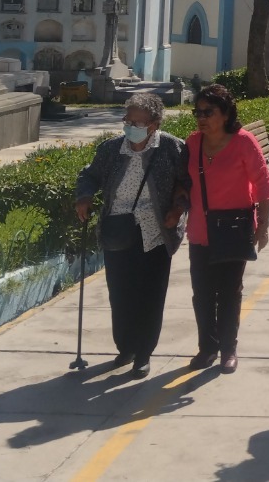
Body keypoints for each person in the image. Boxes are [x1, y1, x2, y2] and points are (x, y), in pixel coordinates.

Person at [73, 93, 189, 379]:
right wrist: (84, 196)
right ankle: (125, 347)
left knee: (150, 294)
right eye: (128, 120)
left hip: (155, 231)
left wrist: (178, 209)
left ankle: (144, 354)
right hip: (118, 229)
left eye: (138, 121)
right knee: (120, 292)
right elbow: (89, 175)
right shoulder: (111, 149)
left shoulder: (172, 148)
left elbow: (186, 183)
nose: (131, 126)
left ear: (155, 124)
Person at [185, 84, 269, 373]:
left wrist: (262, 226)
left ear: (225, 114)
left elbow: (263, 185)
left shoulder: (243, 142)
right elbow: (182, 184)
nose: (201, 117)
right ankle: (206, 348)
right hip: (201, 229)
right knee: (201, 294)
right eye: (198, 112)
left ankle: (228, 349)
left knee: (228, 292)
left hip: (234, 229)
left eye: (208, 112)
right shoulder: (192, 143)